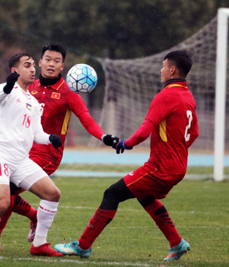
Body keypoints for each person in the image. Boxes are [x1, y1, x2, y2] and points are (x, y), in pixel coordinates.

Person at [0, 43, 119, 251]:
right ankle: (28, 221)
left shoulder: (69, 93)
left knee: (11, 193)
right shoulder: (27, 87)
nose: (51, 64)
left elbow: (87, 120)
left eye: (57, 61)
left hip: (47, 155)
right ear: (40, 62)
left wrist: (104, 137)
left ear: (63, 66)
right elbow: (0, 108)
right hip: (23, 152)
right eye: (48, 60)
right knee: (7, 195)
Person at [54, 50, 199, 261]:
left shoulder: (166, 96)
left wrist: (126, 144)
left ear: (172, 69)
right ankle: (176, 242)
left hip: (161, 167)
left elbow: (145, 129)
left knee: (112, 193)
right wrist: (176, 150)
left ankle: (83, 245)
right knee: (144, 196)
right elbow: (194, 133)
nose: (161, 70)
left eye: (163, 66)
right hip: (178, 167)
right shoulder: (188, 96)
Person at [0, 53, 65, 257]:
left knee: (53, 194)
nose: (32, 69)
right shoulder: (6, 89)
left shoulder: (33, 102)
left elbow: (37, 134)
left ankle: (39, 244)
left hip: (19, 159)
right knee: (2, 204)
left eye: (31, 65)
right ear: (15, 71)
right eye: (26, 65)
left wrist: (50, 138)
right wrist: (8, 86)